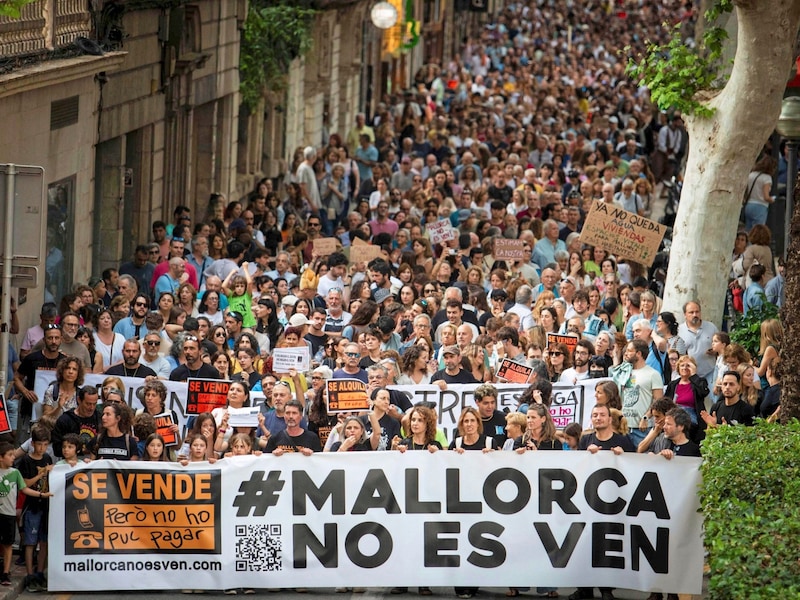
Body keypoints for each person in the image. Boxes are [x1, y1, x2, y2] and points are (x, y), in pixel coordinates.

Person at [569, 404, 635, 600]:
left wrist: (623, 457)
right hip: (588, 501)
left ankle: (606, 589)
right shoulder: (586, 440)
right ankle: (585, 589)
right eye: (595, 415)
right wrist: (585, 455)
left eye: (602, 415)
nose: (598, 418)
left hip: (613, 504)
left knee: (607, 544)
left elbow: (635, 467)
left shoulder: (623, 441)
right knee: (585, 543)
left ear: (609, 419)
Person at [0, 441, 53, 587]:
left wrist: (42, 495)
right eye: (10, 455)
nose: (13, 458)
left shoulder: (15, 472)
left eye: (13, 455)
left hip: (9, 514)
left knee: (8, 543)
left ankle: (5, 572)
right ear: (0, 457)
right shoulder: (22, 464)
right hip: (4, 512)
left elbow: (25, 489)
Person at [18, 425, 53, 593]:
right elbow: (24, 484)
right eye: (39, 444)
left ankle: (40, 572)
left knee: (44, 541)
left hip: (46, 506)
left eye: (45, 444)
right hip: (32, 506)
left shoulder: (47, 457)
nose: (42, 448)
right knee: (30, 542)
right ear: (32, 443)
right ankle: (30, 574)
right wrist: (40, 475)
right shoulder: (26, 460)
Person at [610, 339, 663, 446]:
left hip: (642, 428)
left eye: (629, 351)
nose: (626, 353)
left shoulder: (653, 374)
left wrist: (646, 417)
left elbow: (658, 401)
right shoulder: (624, 372)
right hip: (623, 426)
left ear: (638, 354)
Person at [677, 301, 717, 390]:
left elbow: (721, 346)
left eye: (697, 312)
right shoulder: (679, 331)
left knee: (715, 398)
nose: (695, 314)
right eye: (691, 312)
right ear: (685, 314)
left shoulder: (711, 327)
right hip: (688, 374)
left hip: (710, 372)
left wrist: (715, 351)